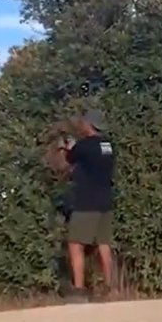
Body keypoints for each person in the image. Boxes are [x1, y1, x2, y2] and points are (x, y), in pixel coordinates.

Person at [59, 109, 116, 302]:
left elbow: (70, 159)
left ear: (89, 125)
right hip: (105, 201)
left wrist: (68, 148)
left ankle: (79, 290)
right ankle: (110, 288)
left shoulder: (84, 146)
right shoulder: (108, 145)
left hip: (86, 201)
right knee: (104, 244)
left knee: (75, 245)